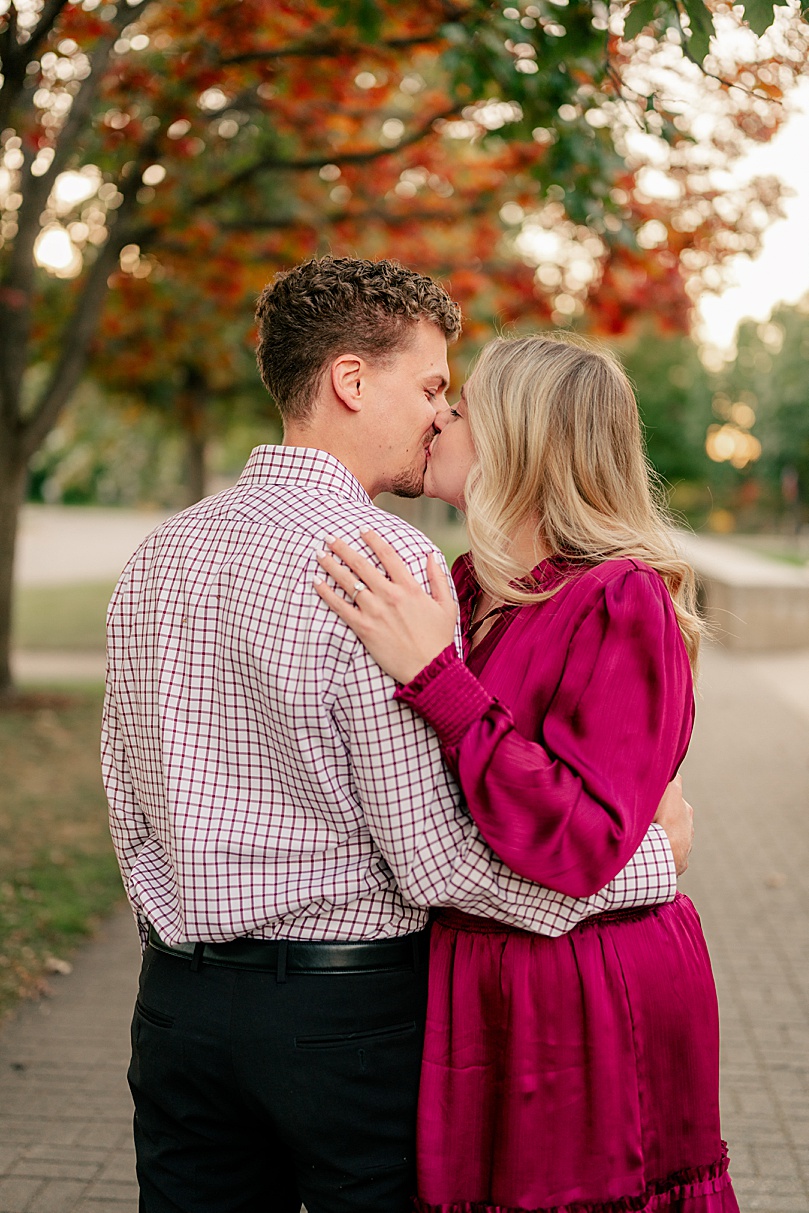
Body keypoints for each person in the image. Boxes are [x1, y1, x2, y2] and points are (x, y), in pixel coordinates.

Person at [102, 259, 692, 1213]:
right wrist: (649, 864)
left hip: (176, 1003)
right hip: (346, 1017)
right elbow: (431, 859)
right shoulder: (390, 560)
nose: (436, 413)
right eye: (429, 388)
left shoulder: (161, 552)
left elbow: (126, 792)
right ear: (349, 380)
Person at [315, 332, 738, 1213]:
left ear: (517, 441)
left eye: (459, 408)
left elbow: (579, 840)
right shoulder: (471, 588)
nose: (437, 417)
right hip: (480, 974)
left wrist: (439, 679)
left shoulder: (617, 596)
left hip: (583, 981)